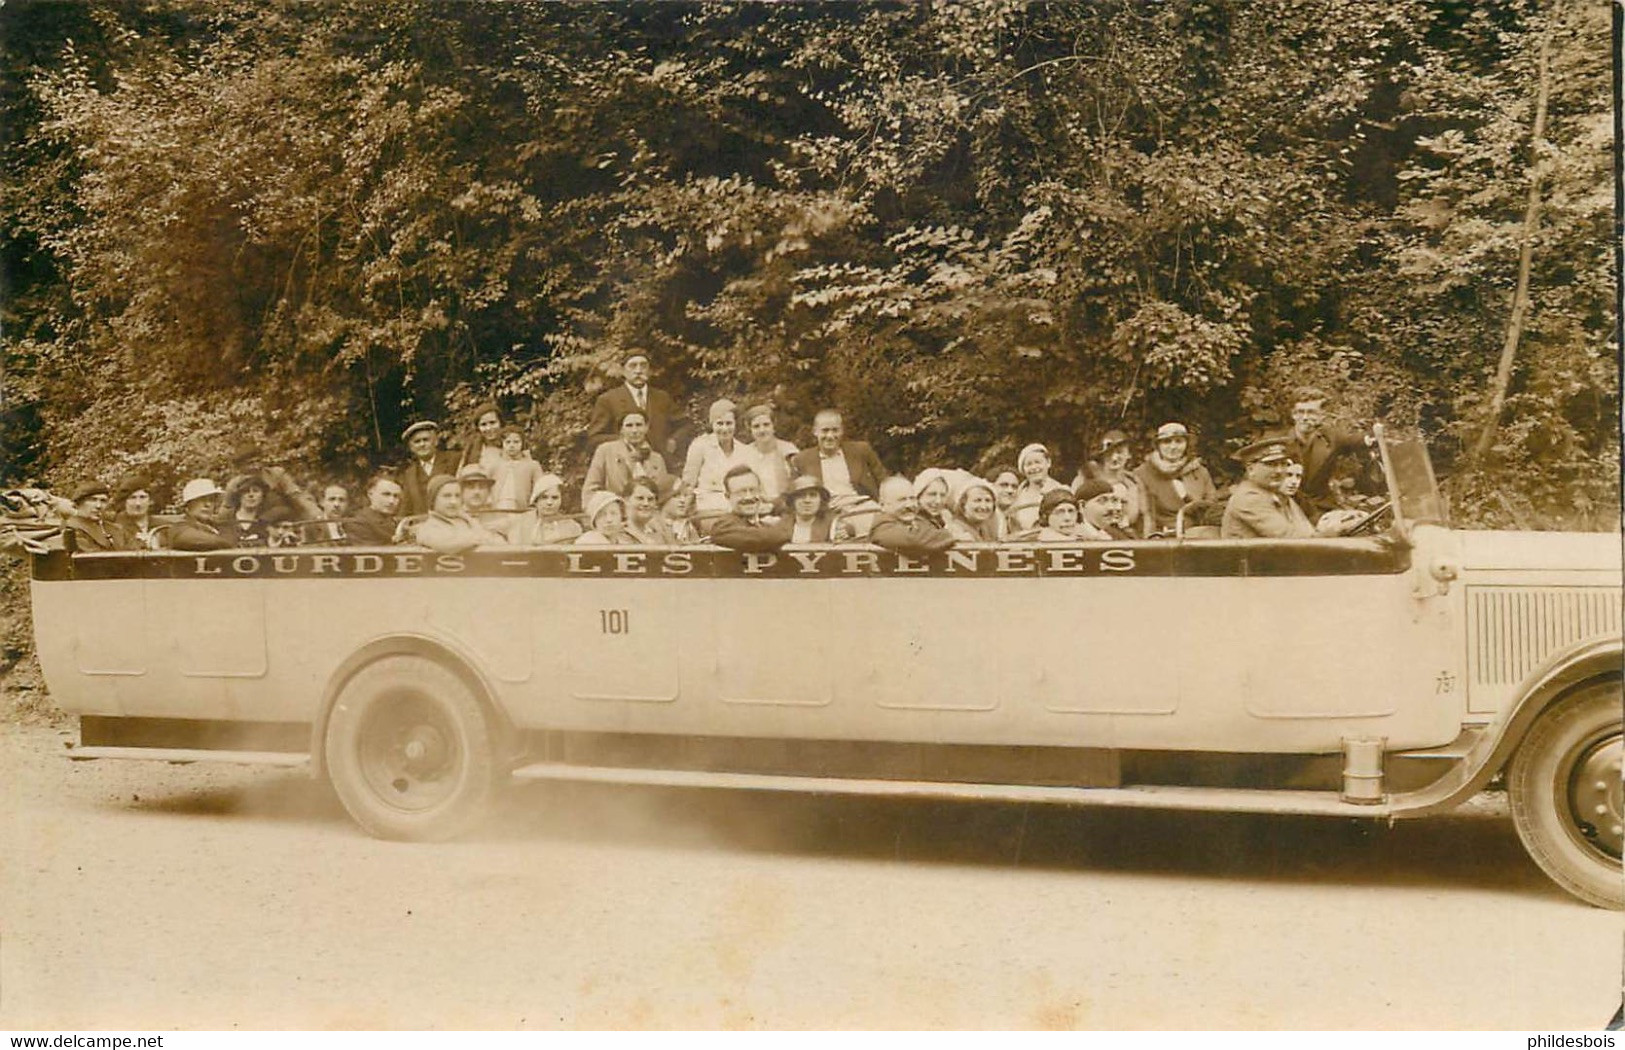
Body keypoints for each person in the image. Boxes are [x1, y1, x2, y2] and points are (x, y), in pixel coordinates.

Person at [1282, 388, 1374, 517]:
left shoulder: (1330, 437)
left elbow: (1354, 440)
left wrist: (1373, 438)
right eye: (1300, 412)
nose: (1305, 417)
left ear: (1322, 415)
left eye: (1311, 412)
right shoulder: (1279, 442)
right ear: (1293, 414)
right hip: (1288, 508)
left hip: (1322, 506)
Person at [586, 349, 681, 456]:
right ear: (623, 371)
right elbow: (595, 438)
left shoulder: (662, 397)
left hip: (660, 463)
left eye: (643, 366)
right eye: (633, 366)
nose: (638, 370)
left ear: (649, 371)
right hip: (625, 463)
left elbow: (685, 425)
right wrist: (626, 441)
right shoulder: (608, 399)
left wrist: (674, 440)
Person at [1221, 438, 1318, 540]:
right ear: (1251, 469)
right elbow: (1290, 537)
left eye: (1283, 464)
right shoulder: (1250, 499)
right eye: (1271, 464)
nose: (1279, 471)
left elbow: (1306, 531)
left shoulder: (1277, 495)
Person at [789, 409, 887, 508]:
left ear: (842, 431)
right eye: (825, 430)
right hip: (826, 512)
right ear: (815, 432)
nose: (830, 436)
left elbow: (884, 480)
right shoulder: (802, 460)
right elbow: (792, 493)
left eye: (835, 430)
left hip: (861, 507)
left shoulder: (861, 451)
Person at [1135, 422, 1218, 536]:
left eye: (1179, 441)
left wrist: (1188, 498)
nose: (1173, 447)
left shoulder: (1199, 471)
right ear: (1158, 446)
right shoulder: (1143, 474)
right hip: (1162, 539)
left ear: (1187, 444)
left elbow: (1211, 507)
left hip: (1199, 535)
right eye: (1167, 442)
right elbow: (1144, 516)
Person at [684, 399, 755, 517]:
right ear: (712, 424)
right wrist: (686, 510)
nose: (724, 429)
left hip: (737, 508)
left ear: (735, 424)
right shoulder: (700, 446)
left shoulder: (745, 451)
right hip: (708, 508)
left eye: (729, 423)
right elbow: (688, 482)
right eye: (719, 424)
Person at [585, 411, 670, 509]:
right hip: (617, 514)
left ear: (646, 427)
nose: (634, 430)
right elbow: (591, 489)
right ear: (621, 429)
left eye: (639, 425)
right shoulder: (606, 451)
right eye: (629, 426)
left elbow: (663, 493)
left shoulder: (656, 459)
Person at [413, 475, 506, 554]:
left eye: (457, 496)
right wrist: (478, 539)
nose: (453, 502)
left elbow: (501, 545)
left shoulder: (466, 521)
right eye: (447, 496)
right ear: (433, 500)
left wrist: (468, 519)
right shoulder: (427, 528)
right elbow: (448, 546)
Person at [707, 466, 791, 552]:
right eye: (741, 492)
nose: (748, 497)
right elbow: (766, 538)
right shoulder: (723, 526)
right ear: (728, 496)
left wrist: (774, 507)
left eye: (753, 490)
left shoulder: (764, 523)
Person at [869, 476, 956, 554]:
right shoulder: (882, 527)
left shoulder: (917, 520)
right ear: (882, 505)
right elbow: (915, 540)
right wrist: (953, 535)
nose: (910, 505)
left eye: (912, 498)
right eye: (902, 500)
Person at [1079, 429, 1144, 533]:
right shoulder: (1086, 477)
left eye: (1120, 452)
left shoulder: (1133, 483)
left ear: (1129, 455)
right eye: (1109, 453)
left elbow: (1141, 515)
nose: (1114, 458)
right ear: (1102, 455)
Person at [399, 420, 462, 517]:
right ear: (411, 447)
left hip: (454, 522)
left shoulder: (454, 460)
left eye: (426, 440)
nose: (422, 444)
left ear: (435, 441)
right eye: (417, 442)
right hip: (424, 526)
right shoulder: (409, 474)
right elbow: (406, 507)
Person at [742, 403, 798, 503]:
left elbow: (797, 482)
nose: (762, 430)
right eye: (756, 426)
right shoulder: (744, 453)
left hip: (786, 504)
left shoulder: (788, 450)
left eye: (766, 425)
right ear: (749, 429)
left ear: (773, 426)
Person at [1007, 443, 1069, 532]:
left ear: (1048, 463)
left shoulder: (1063, 491)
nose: (1034, 467)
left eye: (1038, 462)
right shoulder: (1017, 495)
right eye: (1029, 464)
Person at [510, 474, 583, 546]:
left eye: (555, 498)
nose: (549, 502)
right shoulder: (520, 522)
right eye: (544, 497)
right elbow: (498, 531)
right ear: (536, 500)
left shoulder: (572, 527)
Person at [489, 425, 546, 511]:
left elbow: (540, 488)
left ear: (522, 443)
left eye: (516, 442)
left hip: (523, 509)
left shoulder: (532, 465)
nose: (512, 445)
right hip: (497, 508)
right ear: (502, 443)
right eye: (508, 442)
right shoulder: (494, 465)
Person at [169, 479, 234, 552]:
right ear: (189, 504)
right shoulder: (180, 527)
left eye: (211, 500)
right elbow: (216, 542)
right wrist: (229, 543)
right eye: (202, 499)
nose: (207, 504)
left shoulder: (216, 526)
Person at [108, 475, 165, 551]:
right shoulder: (113, 527)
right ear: (124, 501)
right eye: (132, 498)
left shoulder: (162, 526)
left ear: (150, 501)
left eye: (142, 497)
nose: (138, 503)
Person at [344, 475, 404, 545]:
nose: (391, 501)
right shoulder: (358, 523)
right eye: (386, 494)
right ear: (370, 494)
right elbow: (368, 553)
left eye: (396, 496)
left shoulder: (396, 522)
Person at [945, 476, 1001, 544]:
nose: (983, 507)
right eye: (977, 500)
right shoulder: (955, 530)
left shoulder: (986, 529)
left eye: (988, 500)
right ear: (963, 505)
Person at [782, 474, 835, 544]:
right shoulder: (780, 526)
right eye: (801, 495)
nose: (807, 500)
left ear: (821, 500)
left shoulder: (833, 526)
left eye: (813, 495)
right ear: (793, 501)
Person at [457, 402, 506, 475]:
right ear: (478, 428)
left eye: (492, 423)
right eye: (483, 425)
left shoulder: (512, 443)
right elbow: (461, 475)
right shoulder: (472, 448)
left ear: (500, 423)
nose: (489, 428)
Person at [623, 476, 675, 546]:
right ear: (626, 500)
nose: (646, 503)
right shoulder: (618, 534)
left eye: (650, 499)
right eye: (640, 498)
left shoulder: (660, 535)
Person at [64, 483, 115, 552]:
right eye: (93, 500)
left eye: (103, 501)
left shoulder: (113, 528)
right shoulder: (72, 529)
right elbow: (92, 559)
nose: (98, 506)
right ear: (79, 503)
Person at [224, 477, 270, 547]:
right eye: (246, 491)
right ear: (239, 495)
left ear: (263, 495)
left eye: (256, 491)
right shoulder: (226, 518)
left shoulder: (268, 520)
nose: (251, 495)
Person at [656, 476, 700, 545]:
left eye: (685, 495)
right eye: (676, 496)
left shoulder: (687, 526)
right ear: (664, 499)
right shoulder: (654, 525)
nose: (682, 500)